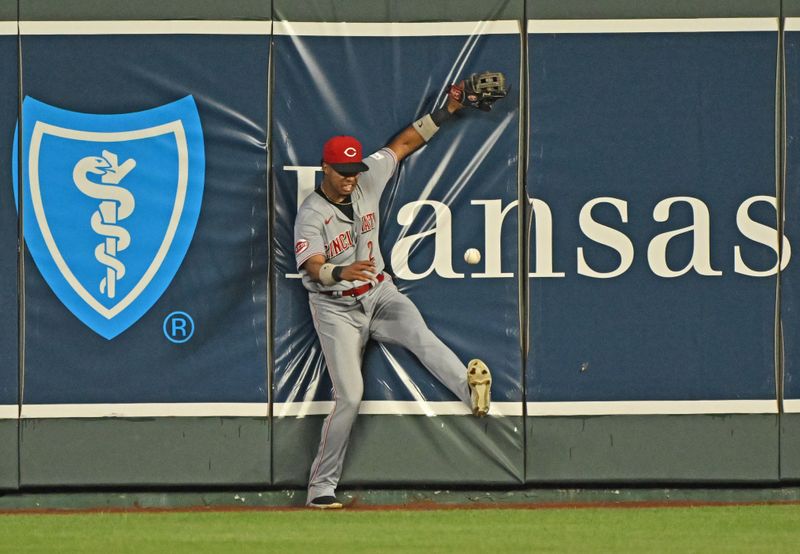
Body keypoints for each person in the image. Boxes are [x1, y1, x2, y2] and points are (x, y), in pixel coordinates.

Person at [292, 73, 506, 509]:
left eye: (355, 169)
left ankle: (472, 393)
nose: (352, 177)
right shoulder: (311, 213)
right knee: (349, 395)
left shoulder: (367, 176)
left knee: (422, 337)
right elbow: (312, 266)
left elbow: (404, 143)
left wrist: (449, 110)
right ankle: (320, 490)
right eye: (343, 171)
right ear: (326, 168)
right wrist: (340, 269)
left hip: (380, 294)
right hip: (336, 310)